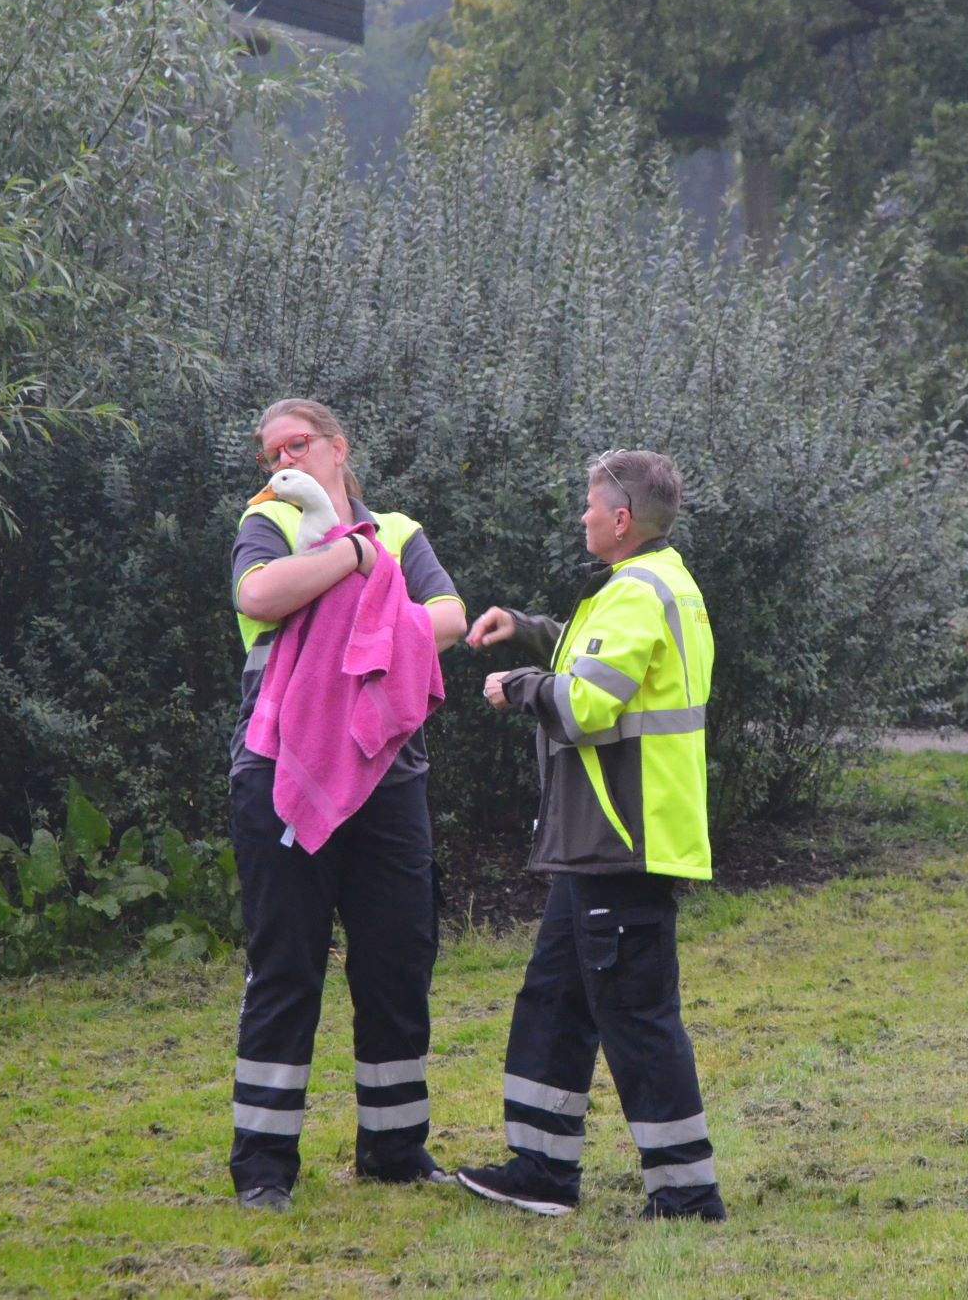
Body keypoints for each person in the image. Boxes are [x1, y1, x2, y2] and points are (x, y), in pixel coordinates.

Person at [455, 450, 727, 1222]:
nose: (580, 515)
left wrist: (519, 687)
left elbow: (585, 707)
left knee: (636, 1015)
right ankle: (541, 1168)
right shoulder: (645, 583)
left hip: (621, 841)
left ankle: (686, 1193)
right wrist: (531, 631)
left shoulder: (639, 591)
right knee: (554, 999)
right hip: (600, 843)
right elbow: (599, 658)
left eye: (588, 504)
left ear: (619, 518)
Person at [226, 398, 468, 1214]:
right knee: (286, 965)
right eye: (269, 452)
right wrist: (351, 562)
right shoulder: (269, 518)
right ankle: (263, 1167)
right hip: (280, 769)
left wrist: (365, 583)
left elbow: (449, 618)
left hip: (389, 774)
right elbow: (261, 596)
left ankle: (395, 1150)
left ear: (338, 446)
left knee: (397, 961)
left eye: (295, 444)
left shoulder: (399, 529)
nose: (280, 461)